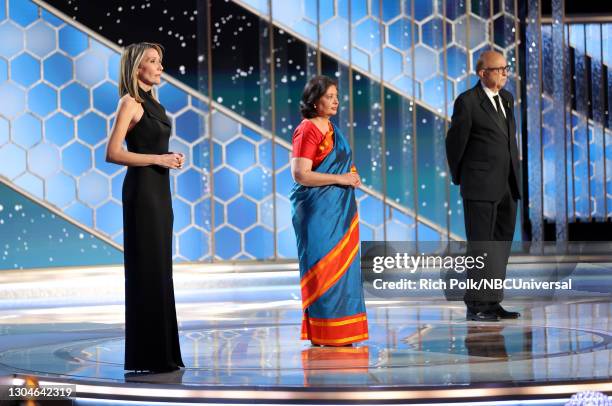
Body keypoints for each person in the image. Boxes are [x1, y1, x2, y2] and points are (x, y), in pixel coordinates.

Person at [106, 42, 185, 371]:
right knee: (147, 271)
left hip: (159, 192)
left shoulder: (155, 105)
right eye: (153, 61)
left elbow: (156, 147)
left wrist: (170, 158)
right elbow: (113, 152)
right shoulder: (130, 103)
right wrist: (158, 158)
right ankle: (148, 355)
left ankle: (163, 354)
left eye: (160, 61)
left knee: (160, 270)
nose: (159, 67)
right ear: (137, 68)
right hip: (142, 194)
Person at [290, 75, 369, 346]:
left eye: (337, 95)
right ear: (314, 100)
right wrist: (341, 178)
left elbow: (342, 164)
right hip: (316, 214)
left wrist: (352, 175)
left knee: (345, 270)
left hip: (340, 210)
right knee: (324, 270)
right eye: (329, 96)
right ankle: (325, 334)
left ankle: (342, 332)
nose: (335, 101)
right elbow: (301, 174)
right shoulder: (307, 129)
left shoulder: (333, 129)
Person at [445, 50, 522, 322]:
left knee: (500, 247)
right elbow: (454, 144)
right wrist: (462, 177)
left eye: (506, 68)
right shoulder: (468, 102)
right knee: (481, 248)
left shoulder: (507, 99)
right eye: (499, 68)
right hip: (479, 186)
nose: (504, 72)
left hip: (507, 185)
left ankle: (492, 302)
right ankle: (476, 303)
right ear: (482, 73)